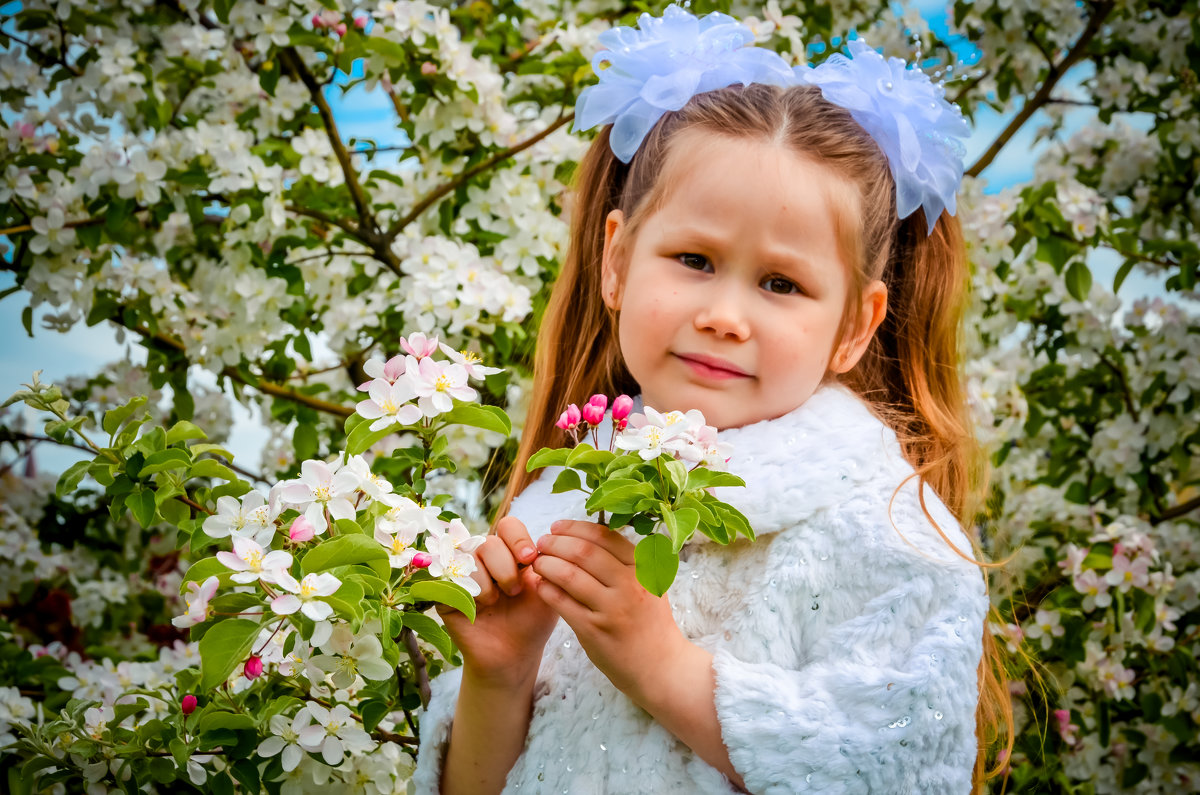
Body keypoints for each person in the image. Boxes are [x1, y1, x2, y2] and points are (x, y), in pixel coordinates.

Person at [414, 6, 1011, 793]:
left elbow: (897, 765)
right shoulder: (561, 499)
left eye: (780, 283)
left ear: (855, 326)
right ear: (617, 261)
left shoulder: (892, 531)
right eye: (694, 259)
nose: (724, 315)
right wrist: (499, 673)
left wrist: (662, 665)